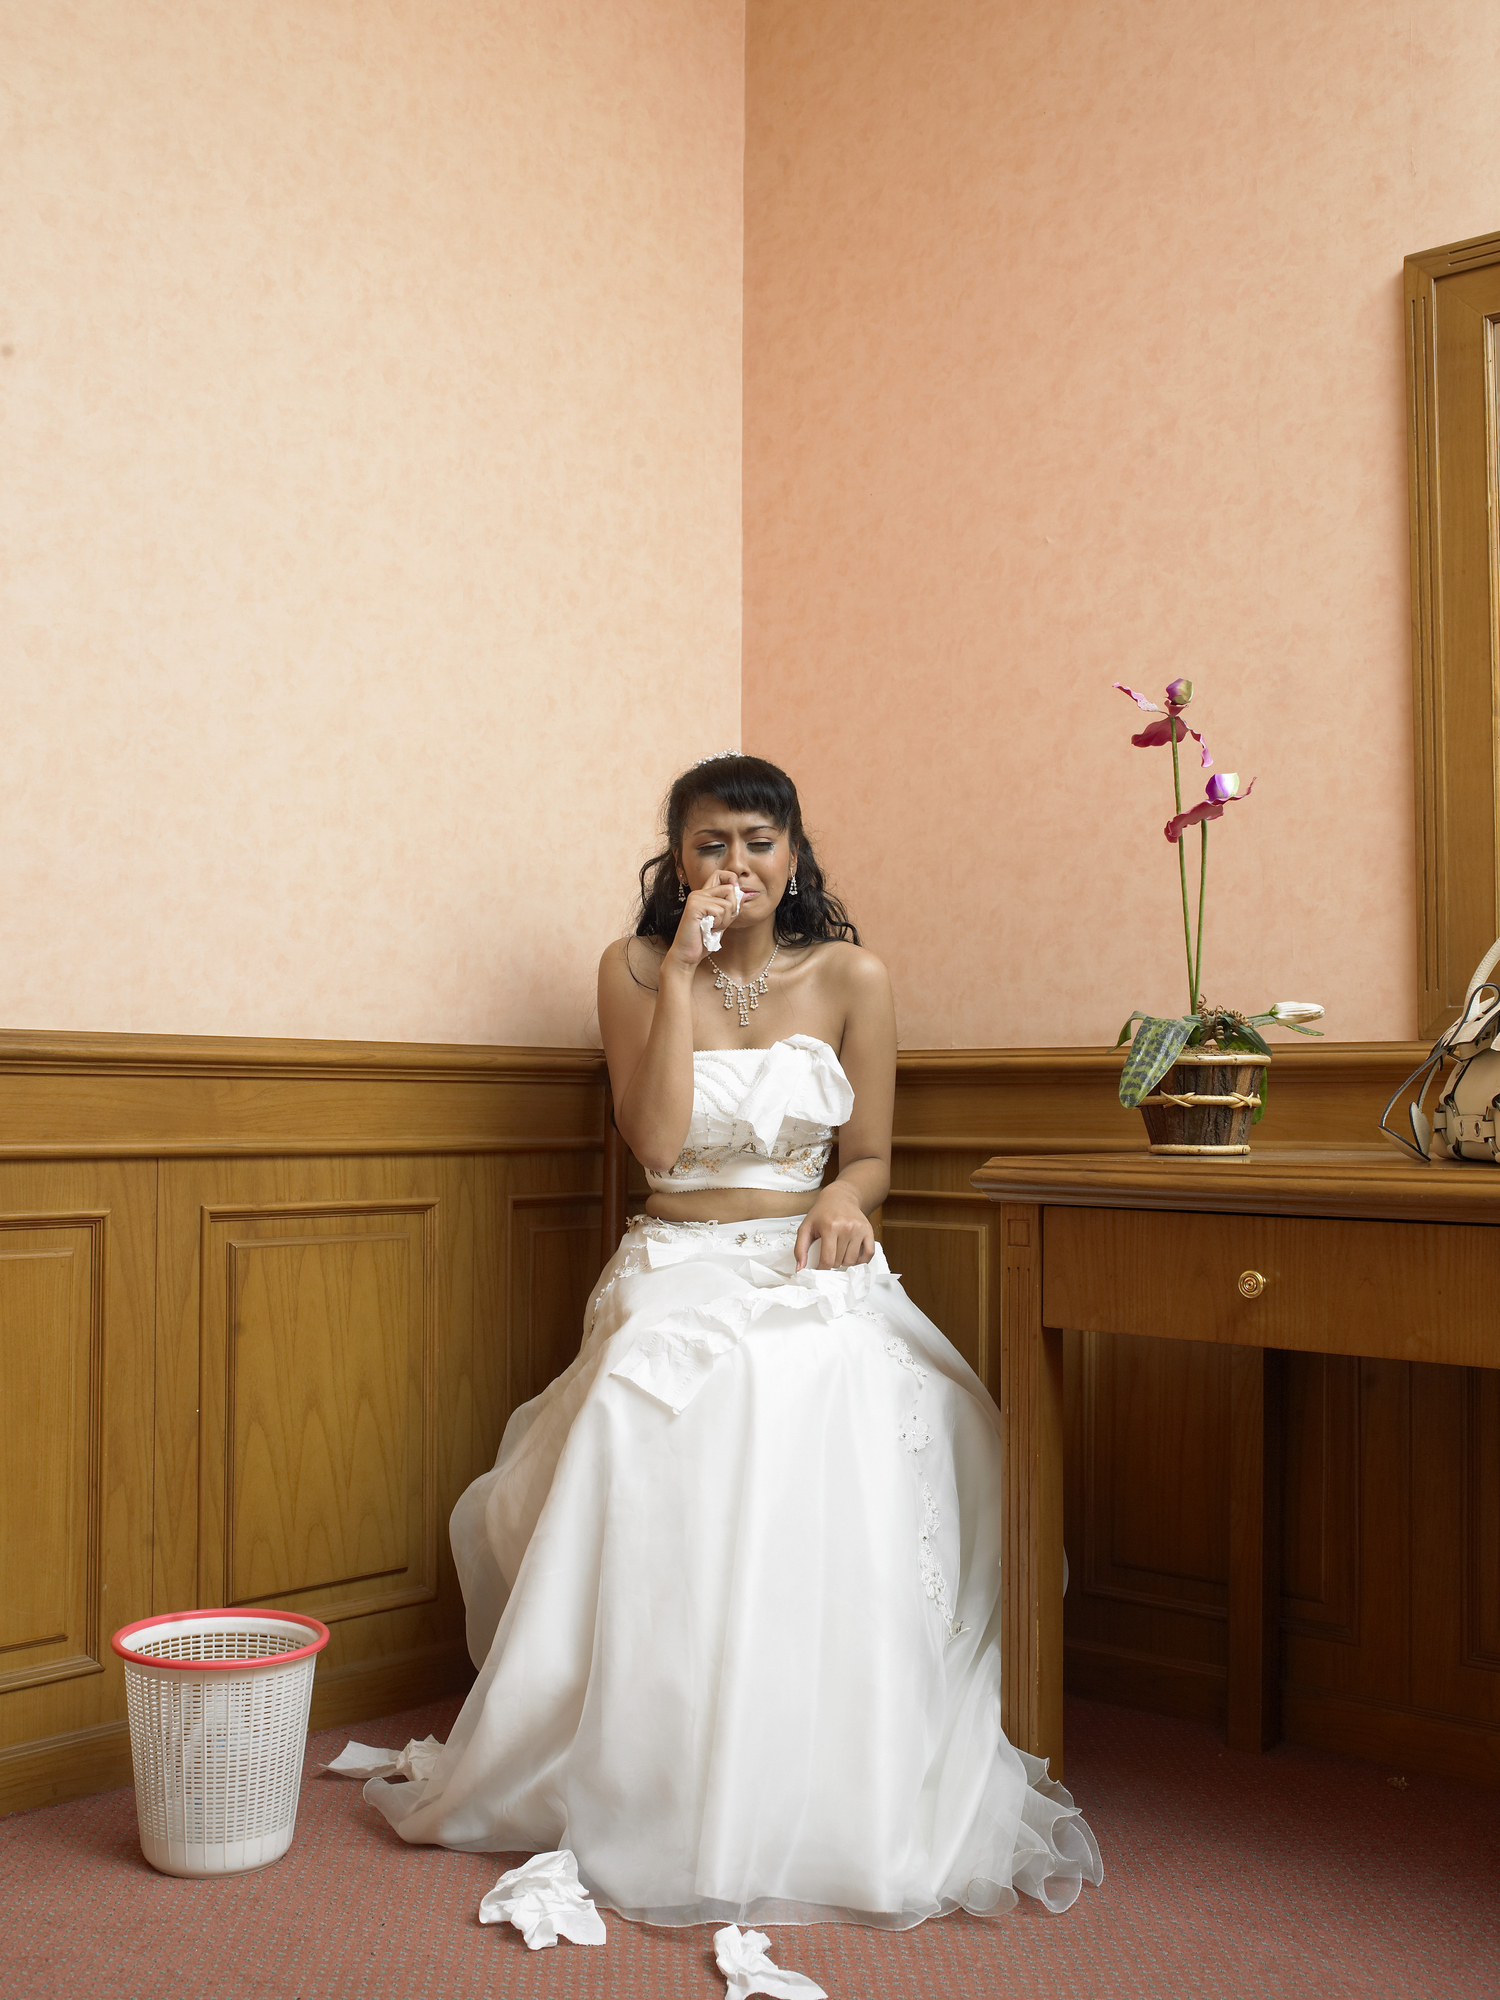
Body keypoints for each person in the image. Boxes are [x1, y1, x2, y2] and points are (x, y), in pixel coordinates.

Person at [364, 754, 1102, 1928]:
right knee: (651, 1402)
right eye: (712, 844)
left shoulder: (854, 975)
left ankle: (817, 1749)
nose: (738, 865)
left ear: (794, 854)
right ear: (678, 860)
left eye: (759, 842)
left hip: (806, 1253)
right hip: (674, 1260)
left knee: (847, 1386)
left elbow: (869, 1155)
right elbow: (656, 1143)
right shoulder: (632, 969)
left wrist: (848, 1201)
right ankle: (650, 1754)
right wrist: (682, 979)